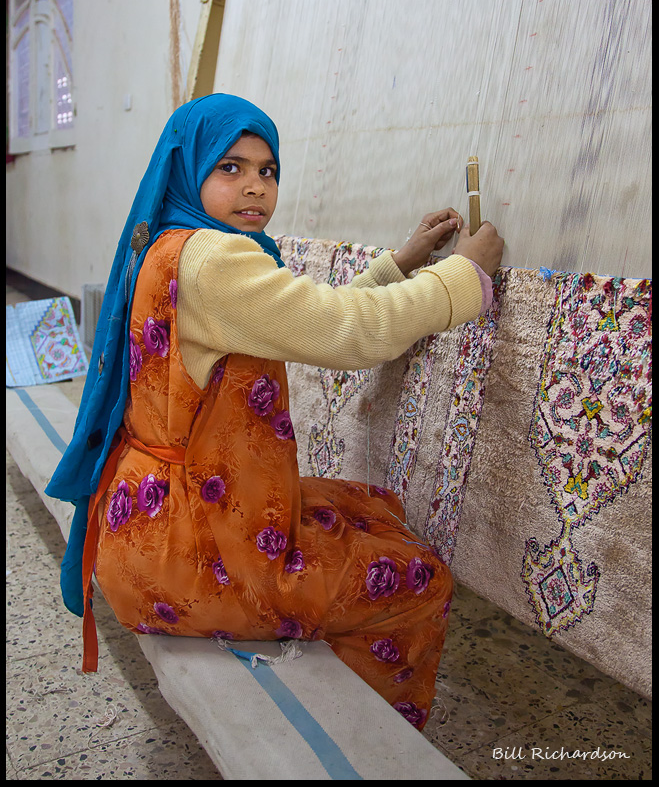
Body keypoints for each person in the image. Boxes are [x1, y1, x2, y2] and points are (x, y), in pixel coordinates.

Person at [45, 93, 504, 731]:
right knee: (417, 580)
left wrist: (398, 266)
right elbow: (346, 332)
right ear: (189, 167)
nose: (255, 186)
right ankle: (361, 748)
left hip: (155, 523)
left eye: (268, 170)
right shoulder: (213, 261)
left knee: (371, 510)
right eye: (230, 167)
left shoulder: (171, 245)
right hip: (196, 551)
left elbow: (298, 317)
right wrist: (462, 279)